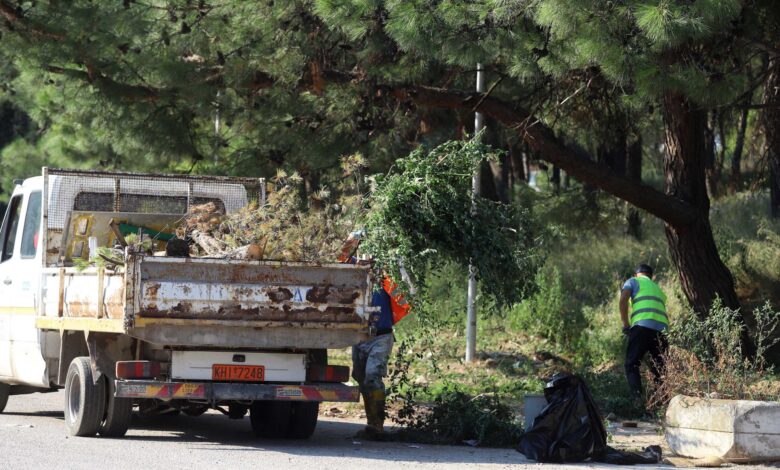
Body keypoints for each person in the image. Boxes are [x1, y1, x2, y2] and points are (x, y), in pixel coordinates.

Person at [338, 231, 410, 435]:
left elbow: (403, 295)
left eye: (372, 253)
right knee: (360, 376)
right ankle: (371, 423)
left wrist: (384, 270)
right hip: (359, 336)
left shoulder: (387, 275)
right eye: (364, 251)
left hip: (381, 335)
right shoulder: (353, 268)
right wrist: (353, 237)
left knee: (372, 377)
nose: (367, 257)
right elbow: (338, 257)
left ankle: (377, 426)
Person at [619, 264, 669, 404]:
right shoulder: (658, 289)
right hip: (662, 331)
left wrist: (625, 324)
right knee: (660, 368)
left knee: (632, 363)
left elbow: (623, 299)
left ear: (636, 274)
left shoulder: (633, 281)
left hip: (642, 326)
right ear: (651, 276)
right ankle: (662, 402)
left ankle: (637, 400)